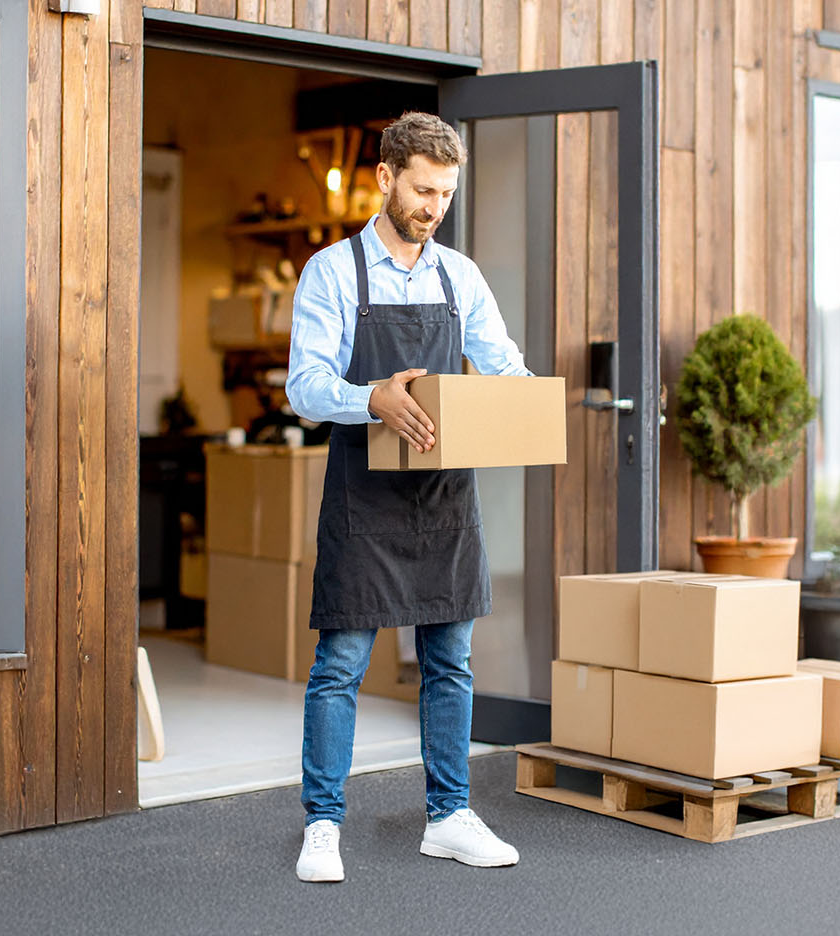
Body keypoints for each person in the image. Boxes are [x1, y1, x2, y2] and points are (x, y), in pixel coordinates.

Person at [285, 112, 531, 883]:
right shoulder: (331, 272)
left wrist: (519, 411)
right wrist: (373, 399)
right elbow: (304, 387)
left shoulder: (460, 276)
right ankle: (323, 825)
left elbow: (506, 369)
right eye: (423, 189)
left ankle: (449, 815)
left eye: (446, 194)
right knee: (342, 662)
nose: (434, 207)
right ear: (385, 178)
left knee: (450, 661)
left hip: (446, 500)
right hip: (366, 500)